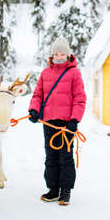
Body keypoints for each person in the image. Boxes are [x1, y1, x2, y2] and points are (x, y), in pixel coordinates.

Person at [28, 37, 86, 206]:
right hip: (48, 123)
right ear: (52, 54)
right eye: (56, 53)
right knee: (51, 157)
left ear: (67, 55)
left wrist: (75, 120)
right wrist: (34, 110)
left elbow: (80, 99)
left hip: (66, 124)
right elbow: (38, 95)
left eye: (62, 53)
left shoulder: (74, 73)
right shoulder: (46, 73)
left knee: (65, 157)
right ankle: (53, 189)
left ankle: (65, 191)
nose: (58, 56)